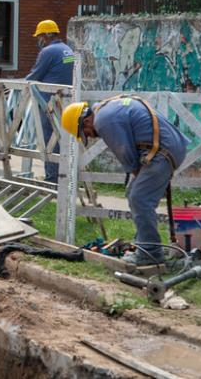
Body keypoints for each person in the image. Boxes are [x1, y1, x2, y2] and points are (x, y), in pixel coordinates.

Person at [61, 97, 189, 266]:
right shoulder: (106, 108)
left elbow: (126, 154)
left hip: (162, 150)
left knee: (139, 198)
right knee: (133, 192)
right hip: (165, 147)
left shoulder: (103, 121)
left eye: (87, 134)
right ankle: (143, 244)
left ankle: (150, 253)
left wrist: (144, 178)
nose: (91, 137)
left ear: (86, 121)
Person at [26, 19, 75, 183]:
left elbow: (35, 75)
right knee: (62, 139)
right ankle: (64, 176)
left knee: (49, 139)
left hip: (48, 102)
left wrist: (19, 84)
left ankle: (52, 178)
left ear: (47, 34)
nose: (38, 40)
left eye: (39, 36)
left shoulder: (48, 52)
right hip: (66, 101)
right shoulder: (67, 50)